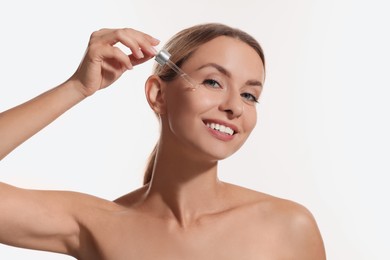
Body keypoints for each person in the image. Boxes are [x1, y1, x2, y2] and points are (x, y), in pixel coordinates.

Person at [0, 23, 326, 259]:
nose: (235, 106)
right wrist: (76, 88)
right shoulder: (97, 224)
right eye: (213, 82)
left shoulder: (288, 227)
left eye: (249, 95)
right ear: (158, 95)